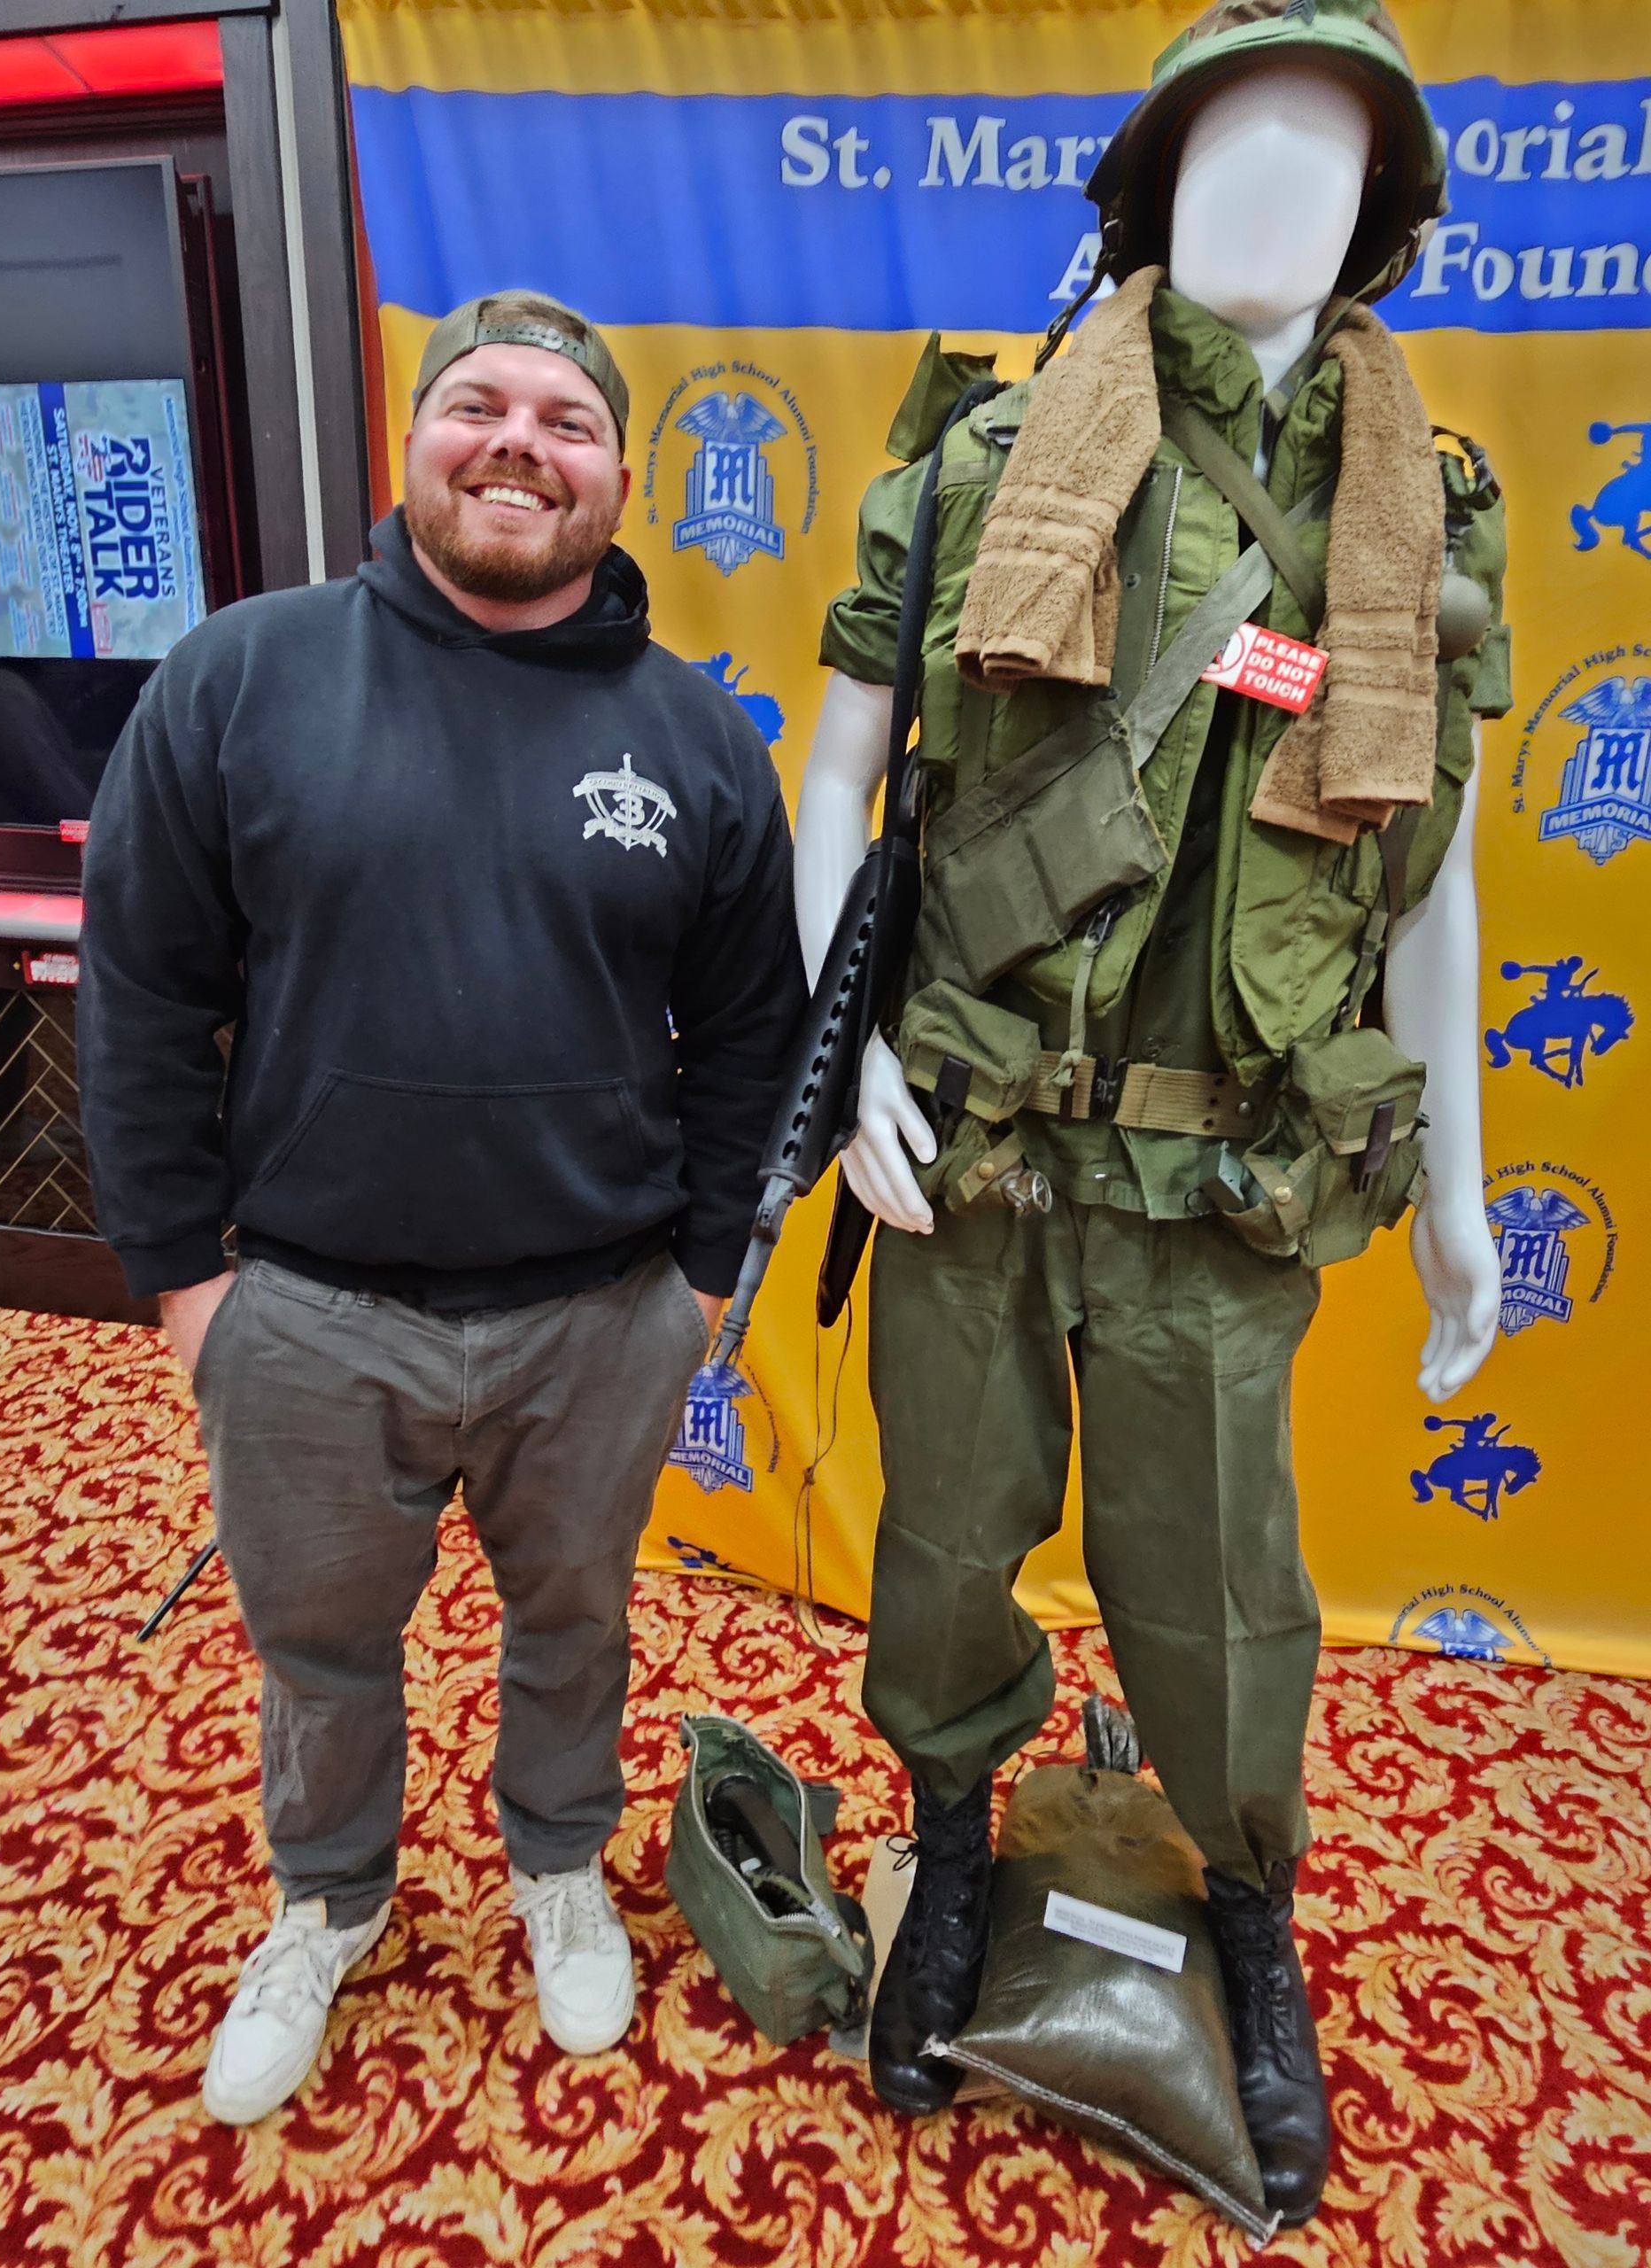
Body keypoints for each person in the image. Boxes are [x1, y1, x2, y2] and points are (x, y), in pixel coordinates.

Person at [794, 0, 1508, 2223]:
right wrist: (843, 1061)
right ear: (1148, 184)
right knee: (942, 1550)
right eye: (1228, 139)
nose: (1272, 182)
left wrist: (1462, 1192)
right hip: (980, 1142)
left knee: (1217, 1592)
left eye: (1326, 151)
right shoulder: (992, 457)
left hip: (1225, 1171)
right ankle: (949, 1846)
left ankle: (1248, 1906)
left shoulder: (1422, 515)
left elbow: (1434, 877)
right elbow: (841, 767)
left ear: (1383, 219)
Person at [79, 290, 807, 2125]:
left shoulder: (698, 738)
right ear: (412, 440)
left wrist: (703, 1281)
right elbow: (144, 994)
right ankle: (326, 1897)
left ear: (620, 480)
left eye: (567, 422)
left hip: (602, 1314)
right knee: (320, 1647)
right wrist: (184, 1287)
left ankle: (559, 1860)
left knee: (575, 1622)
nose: (517, 446)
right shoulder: (240, 679)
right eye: (478, 404)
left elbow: (751, 1033)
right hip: (309, 1313)